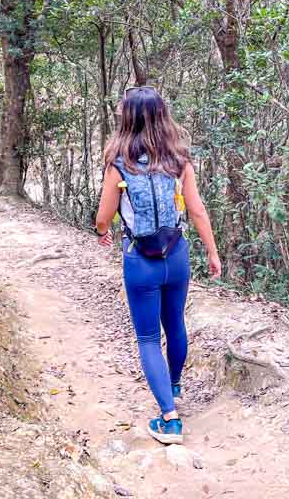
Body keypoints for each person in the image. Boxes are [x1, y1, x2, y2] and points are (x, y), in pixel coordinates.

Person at [94, 85, 221, 445]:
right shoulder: (179, 160)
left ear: (127, 118)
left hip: (140, 261)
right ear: (163, 117)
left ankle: (170, 419)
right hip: (177, 255)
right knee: (175, 323)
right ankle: (174, 385)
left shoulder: (119, 164)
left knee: (149, 337)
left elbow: (104, 218)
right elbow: (196, 210)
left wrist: (102, 230)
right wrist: (212, 252)